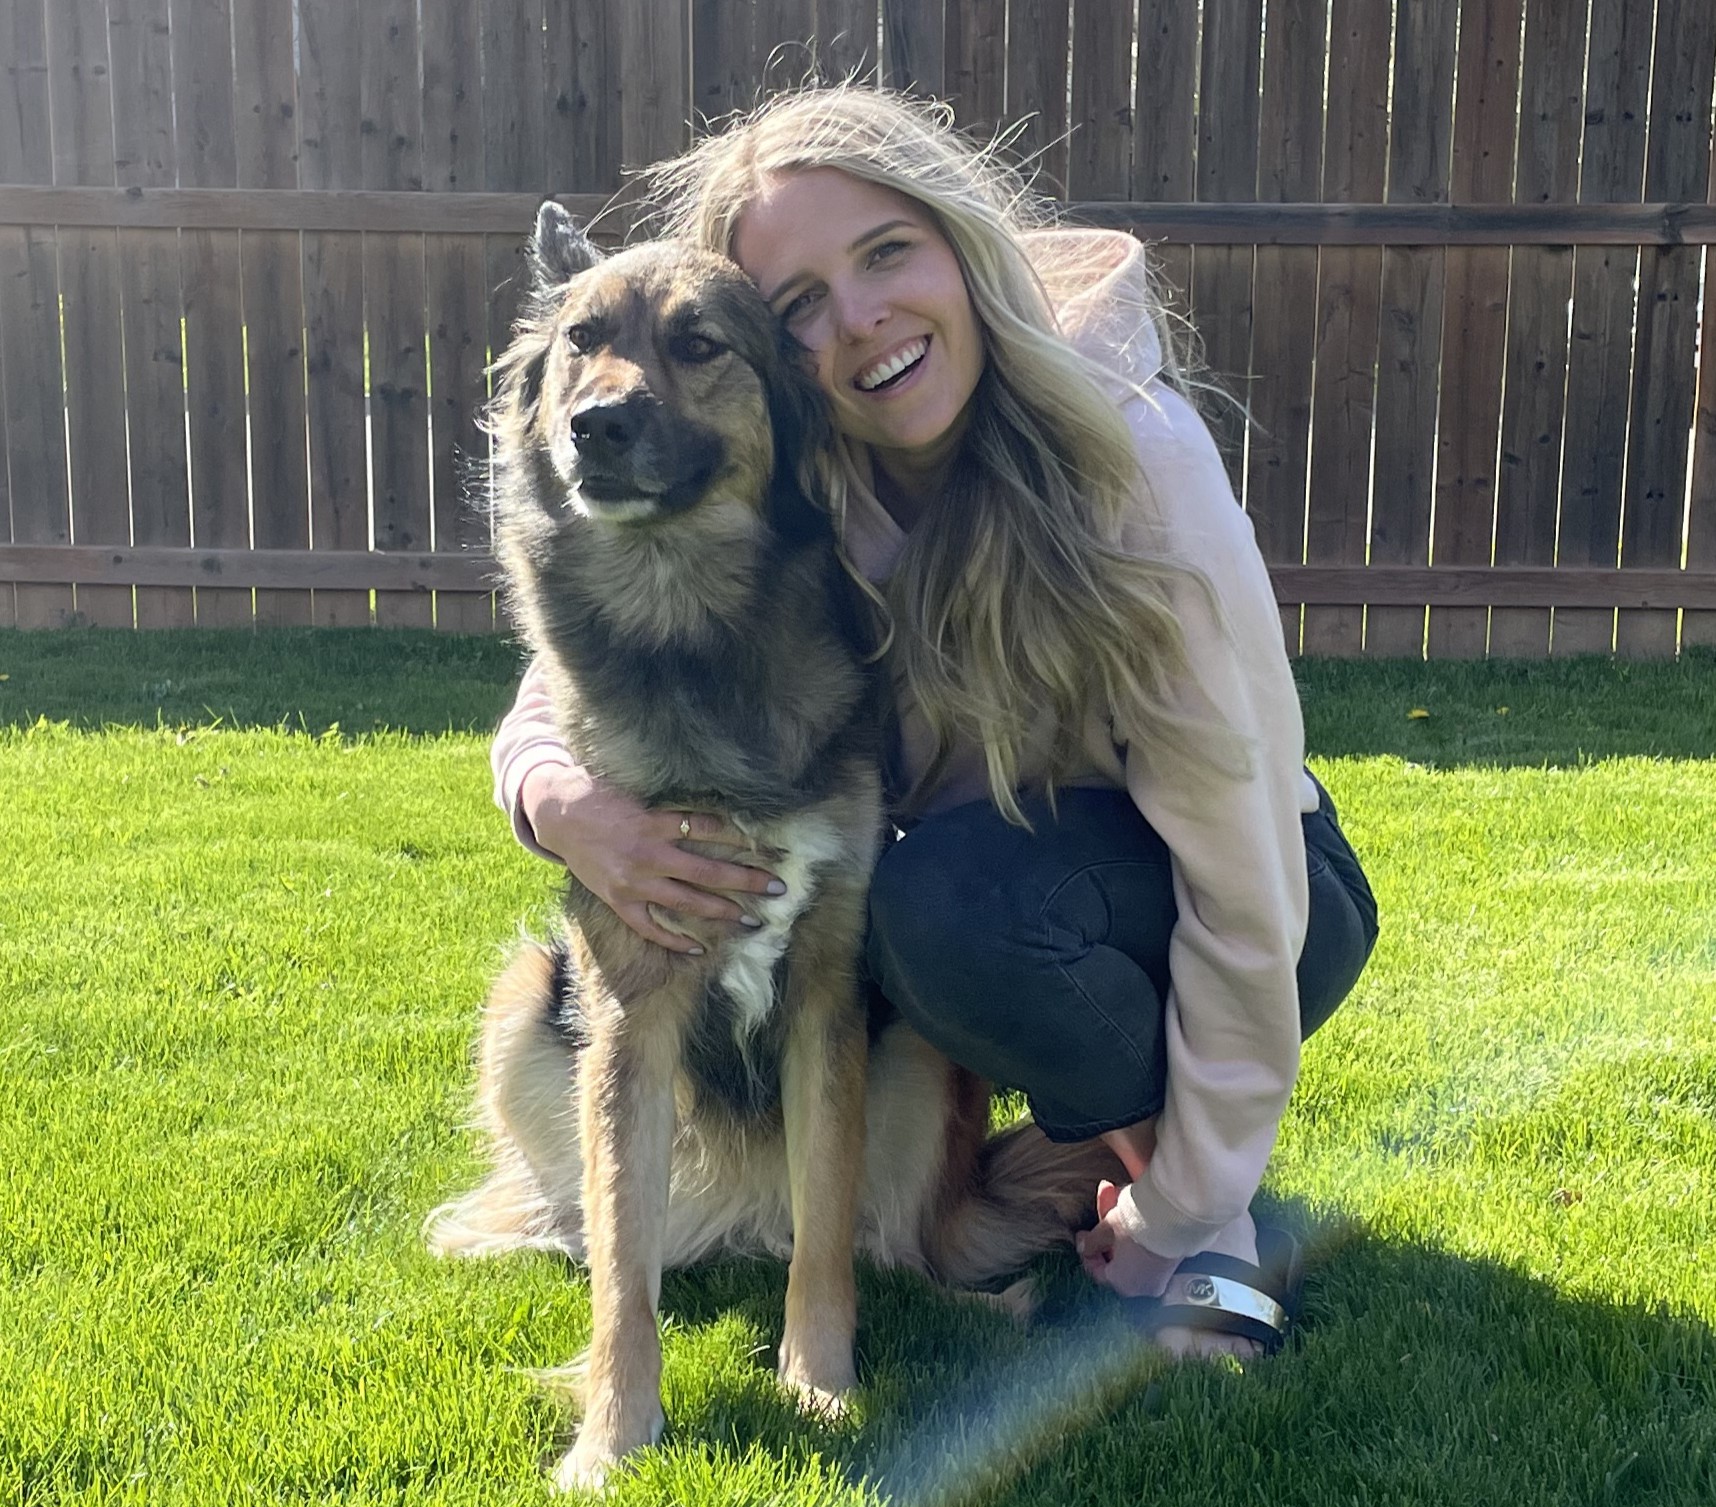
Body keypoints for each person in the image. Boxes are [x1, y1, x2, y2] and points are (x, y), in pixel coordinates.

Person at [490, 85, 1378, 1360]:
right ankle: (1113, 1151)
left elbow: (1241, 868)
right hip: (1024, 885)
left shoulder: (1136, 462)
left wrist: (1194, 1199)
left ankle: (1197, 1214)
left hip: (1255, 893)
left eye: (887, 255)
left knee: (941, 913)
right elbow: (597, 662)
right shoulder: (810, 477)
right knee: (937, 915)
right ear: (784, 354)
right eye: (801, 303)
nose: (858, 322)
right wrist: (559, 801)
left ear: (963, 244)